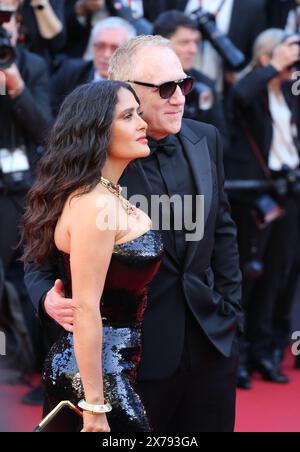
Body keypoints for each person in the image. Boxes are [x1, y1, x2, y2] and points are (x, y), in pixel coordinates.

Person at [25, 35, 242, 432]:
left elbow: (223, 230)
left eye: (185, 84)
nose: (180, 97)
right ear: (124, 93)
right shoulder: (91, 171)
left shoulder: (205, 138)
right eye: (165, 88)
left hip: (211, 345)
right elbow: (38, 251)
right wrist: (46, 300)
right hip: (130, 362)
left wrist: (231, 311)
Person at [21, 80, 163, 432]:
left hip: (109, 367)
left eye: (139, 114)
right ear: (97, 130)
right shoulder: (94, 204)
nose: (143, 124)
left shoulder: (105, 195)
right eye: (128, 116)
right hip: (94, 375)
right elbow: (86, 308)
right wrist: (95, 406)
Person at [227, 29, 300, 389]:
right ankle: (237, 356)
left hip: (288, 193)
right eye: (286, 57)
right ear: (267, 57)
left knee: (278, 273)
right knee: (247, 275)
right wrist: (274, 67)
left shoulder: (291, 91)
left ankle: (265, 351)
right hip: (253, 194)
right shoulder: (249, 89)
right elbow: (240, 94)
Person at [153, 9, 229, 154]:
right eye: (184, 42)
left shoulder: (206, 84)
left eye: (195, 42)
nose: (193, 49)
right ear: (161, 43)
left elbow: (222, 141)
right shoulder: (143, 82)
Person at [50, 16, 136, 115]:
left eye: (115, 48)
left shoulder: (138, 84)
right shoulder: (70, 73)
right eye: (100, 46)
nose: (106, 54)